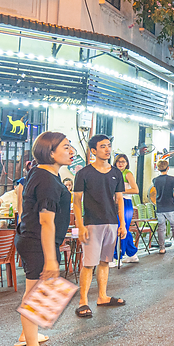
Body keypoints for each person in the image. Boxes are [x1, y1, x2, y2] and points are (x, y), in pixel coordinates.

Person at [14, 132, 75, 346]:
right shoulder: (47, 179)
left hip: (32, 239)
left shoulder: (42, 173)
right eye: (66, 147)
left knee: (38, 294)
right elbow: (46, 221)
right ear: (50, 152)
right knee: (35, 296)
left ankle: (26, 335)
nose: (71, 152)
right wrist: (51, 259)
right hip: (38, 242)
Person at [72, 135, 127, 319]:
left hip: (111, 222)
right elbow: (77, 201)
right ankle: (83, 302)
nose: (107, 149)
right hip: (91, 223)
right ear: (93, 151)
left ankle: (102, 296)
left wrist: (122, 224)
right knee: (89, 264)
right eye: (103, 146)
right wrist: (80, 225)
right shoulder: (84, 173)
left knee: (105, 261)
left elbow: (119, 199)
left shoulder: (116, 173)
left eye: (109, 146)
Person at [151, 159, 174, 256]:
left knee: (161, 228)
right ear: (168, 168)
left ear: (158, 168)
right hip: (170, 206)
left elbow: (155, 193)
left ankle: (162, 248)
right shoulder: (172, 179)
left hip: (159, 206)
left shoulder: (155, 180)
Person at [114, 153, 142, 262]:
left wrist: (119, 191)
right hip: (115, 203)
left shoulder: (127, 173)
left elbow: (136, 190)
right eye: (118, 161)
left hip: (125, 203)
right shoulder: (114, 173)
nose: (121, 164)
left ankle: (117, 257)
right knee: (122, 228)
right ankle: (132, 253)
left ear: (127, 163)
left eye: (123, 162)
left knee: (121, 228)